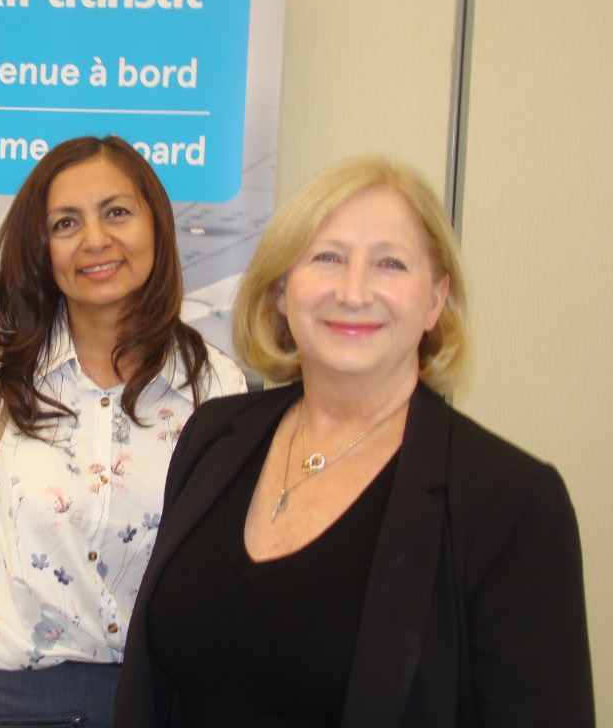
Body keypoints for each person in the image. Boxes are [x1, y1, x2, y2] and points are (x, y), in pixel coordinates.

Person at [114, 155, 595, 727]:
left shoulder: (509, 501)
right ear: (282, 290)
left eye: (390, 263)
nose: (353, 290)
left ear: (435, 300)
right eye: (328, 257)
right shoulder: (214, 437)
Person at [0, 135, 247, 727]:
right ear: (40, 248)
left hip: (150, 703)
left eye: (117, 212)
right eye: (65, 223)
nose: (95, 239)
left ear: (156, 225)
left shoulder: (213, 386)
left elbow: (226, 585)